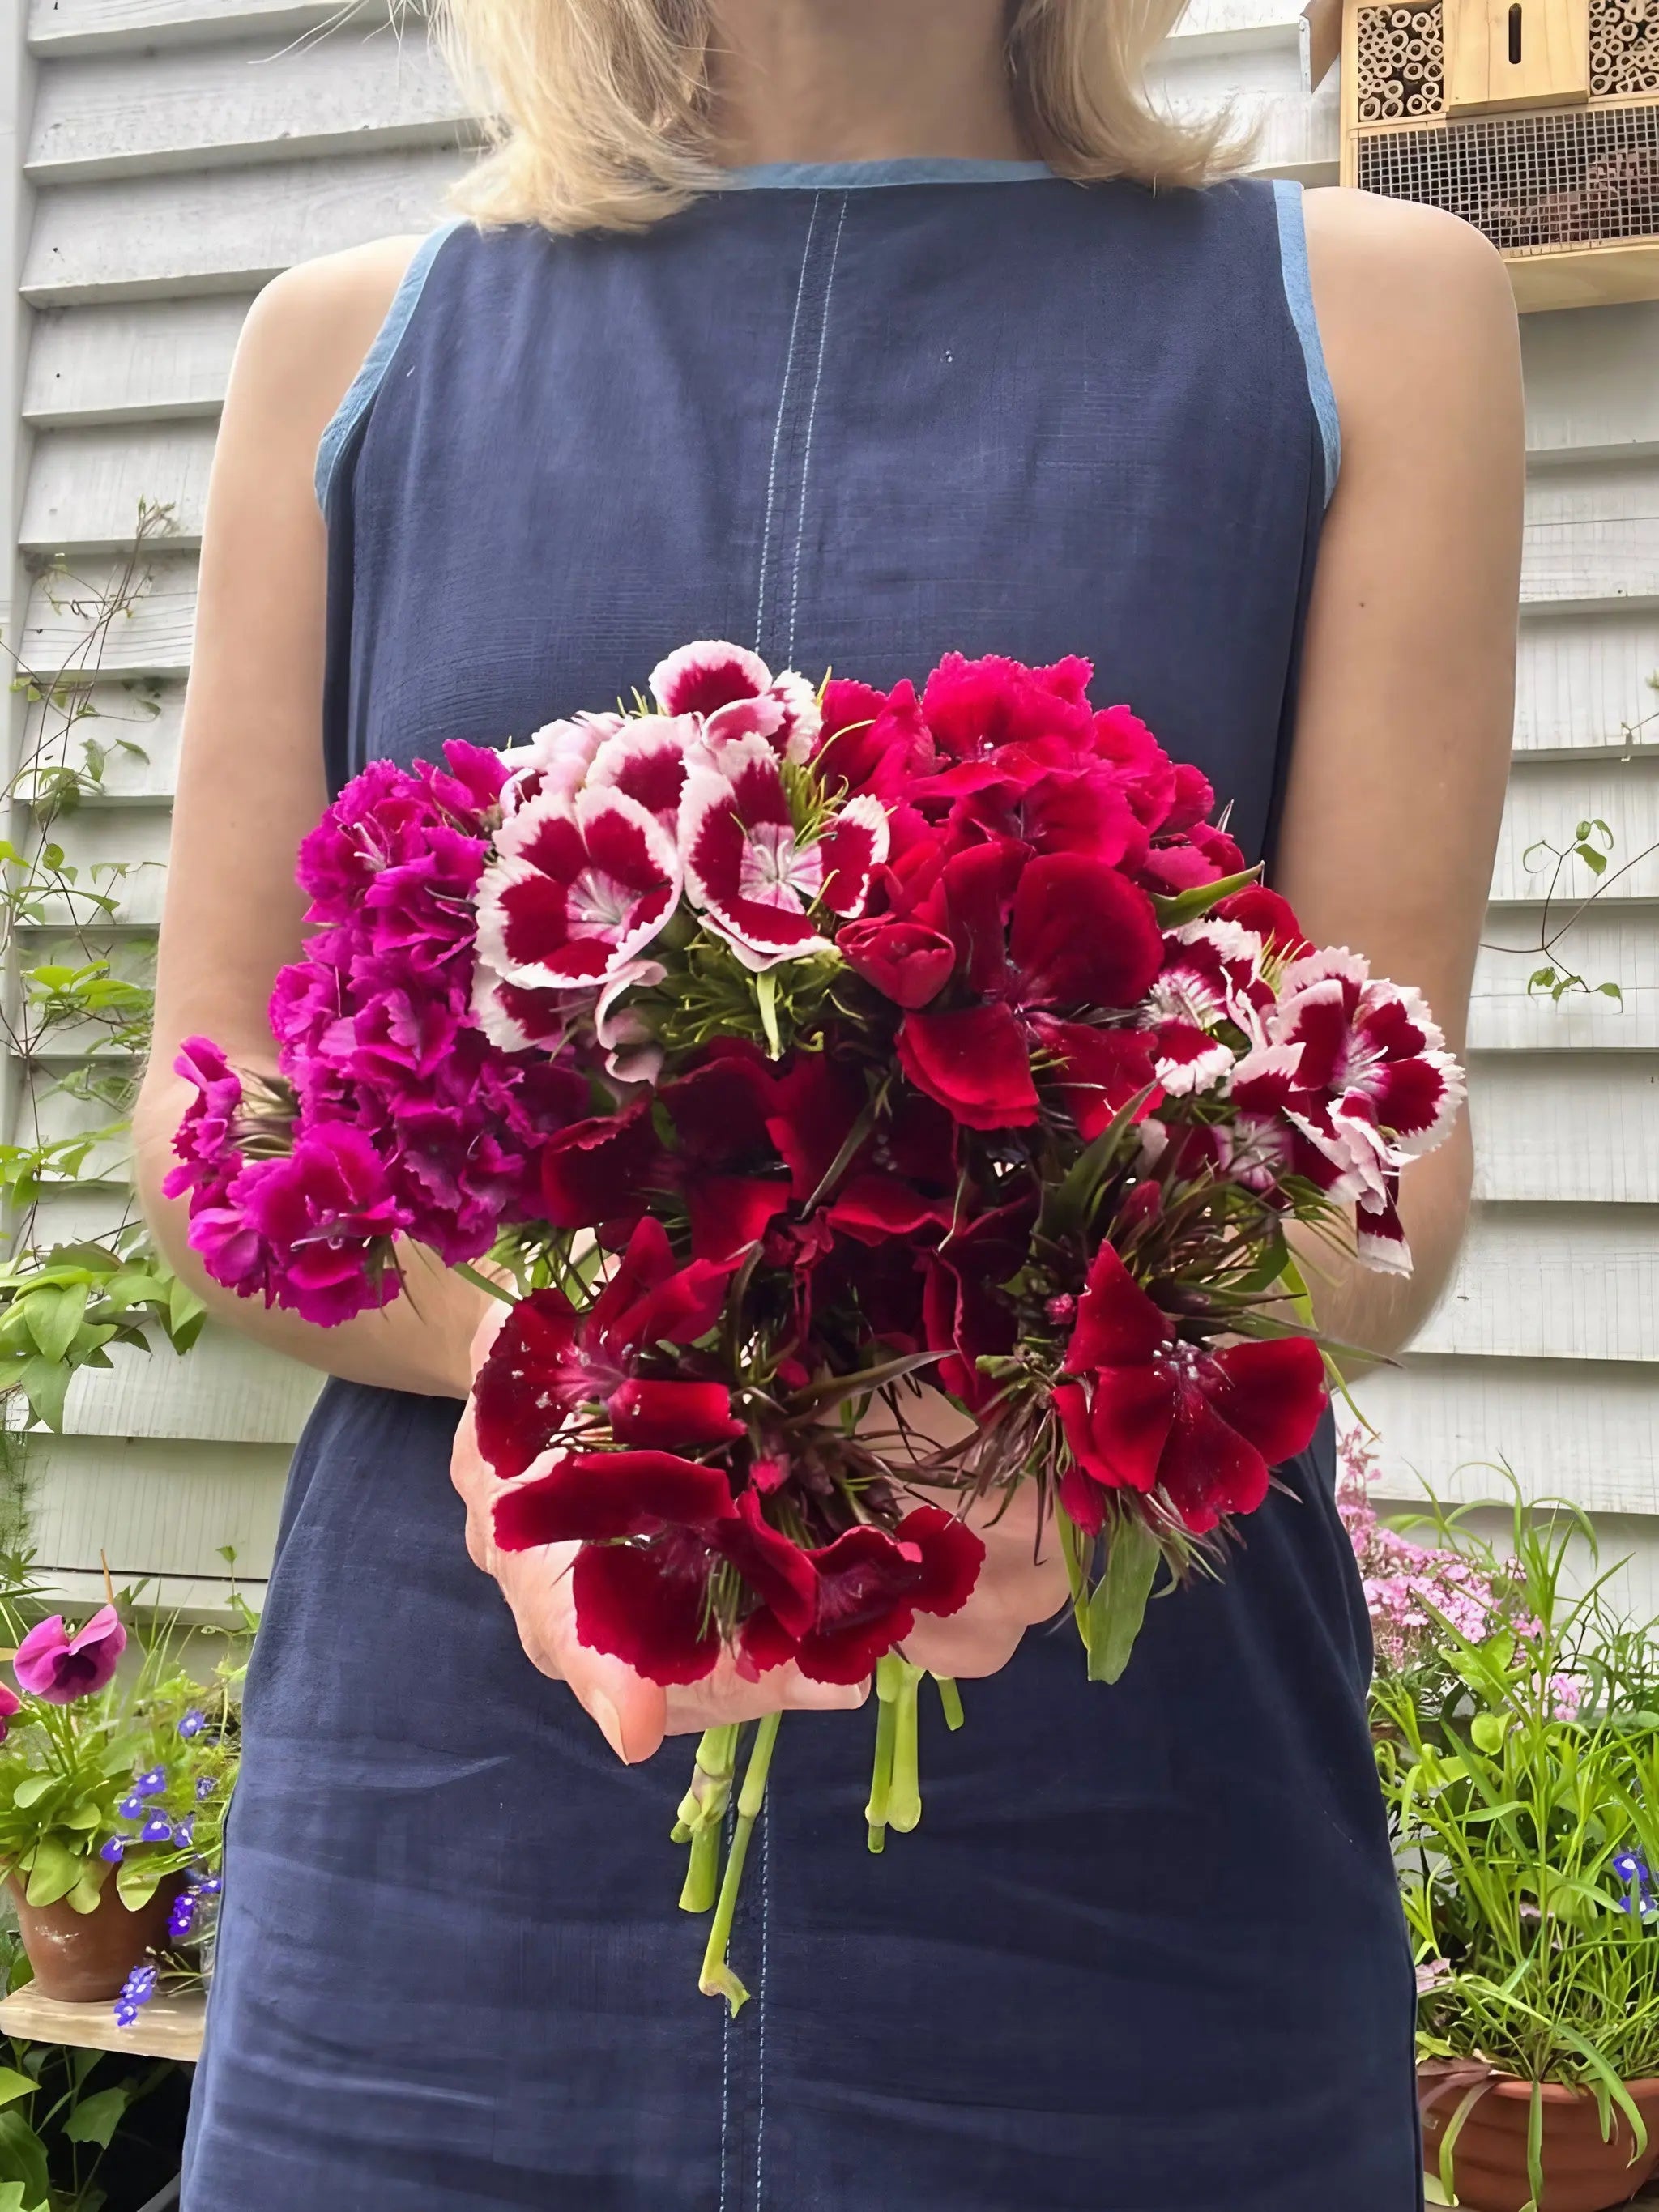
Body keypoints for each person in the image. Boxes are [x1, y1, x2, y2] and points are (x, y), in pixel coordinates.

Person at [134, 2, 1522, 2204]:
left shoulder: (1371, 319)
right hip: (449, 1879)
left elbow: (1387, 1147)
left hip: (1129, 1889)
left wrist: (1040, 1403)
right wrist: (545, 1368)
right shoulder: (341, 357)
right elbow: (216, 1121)